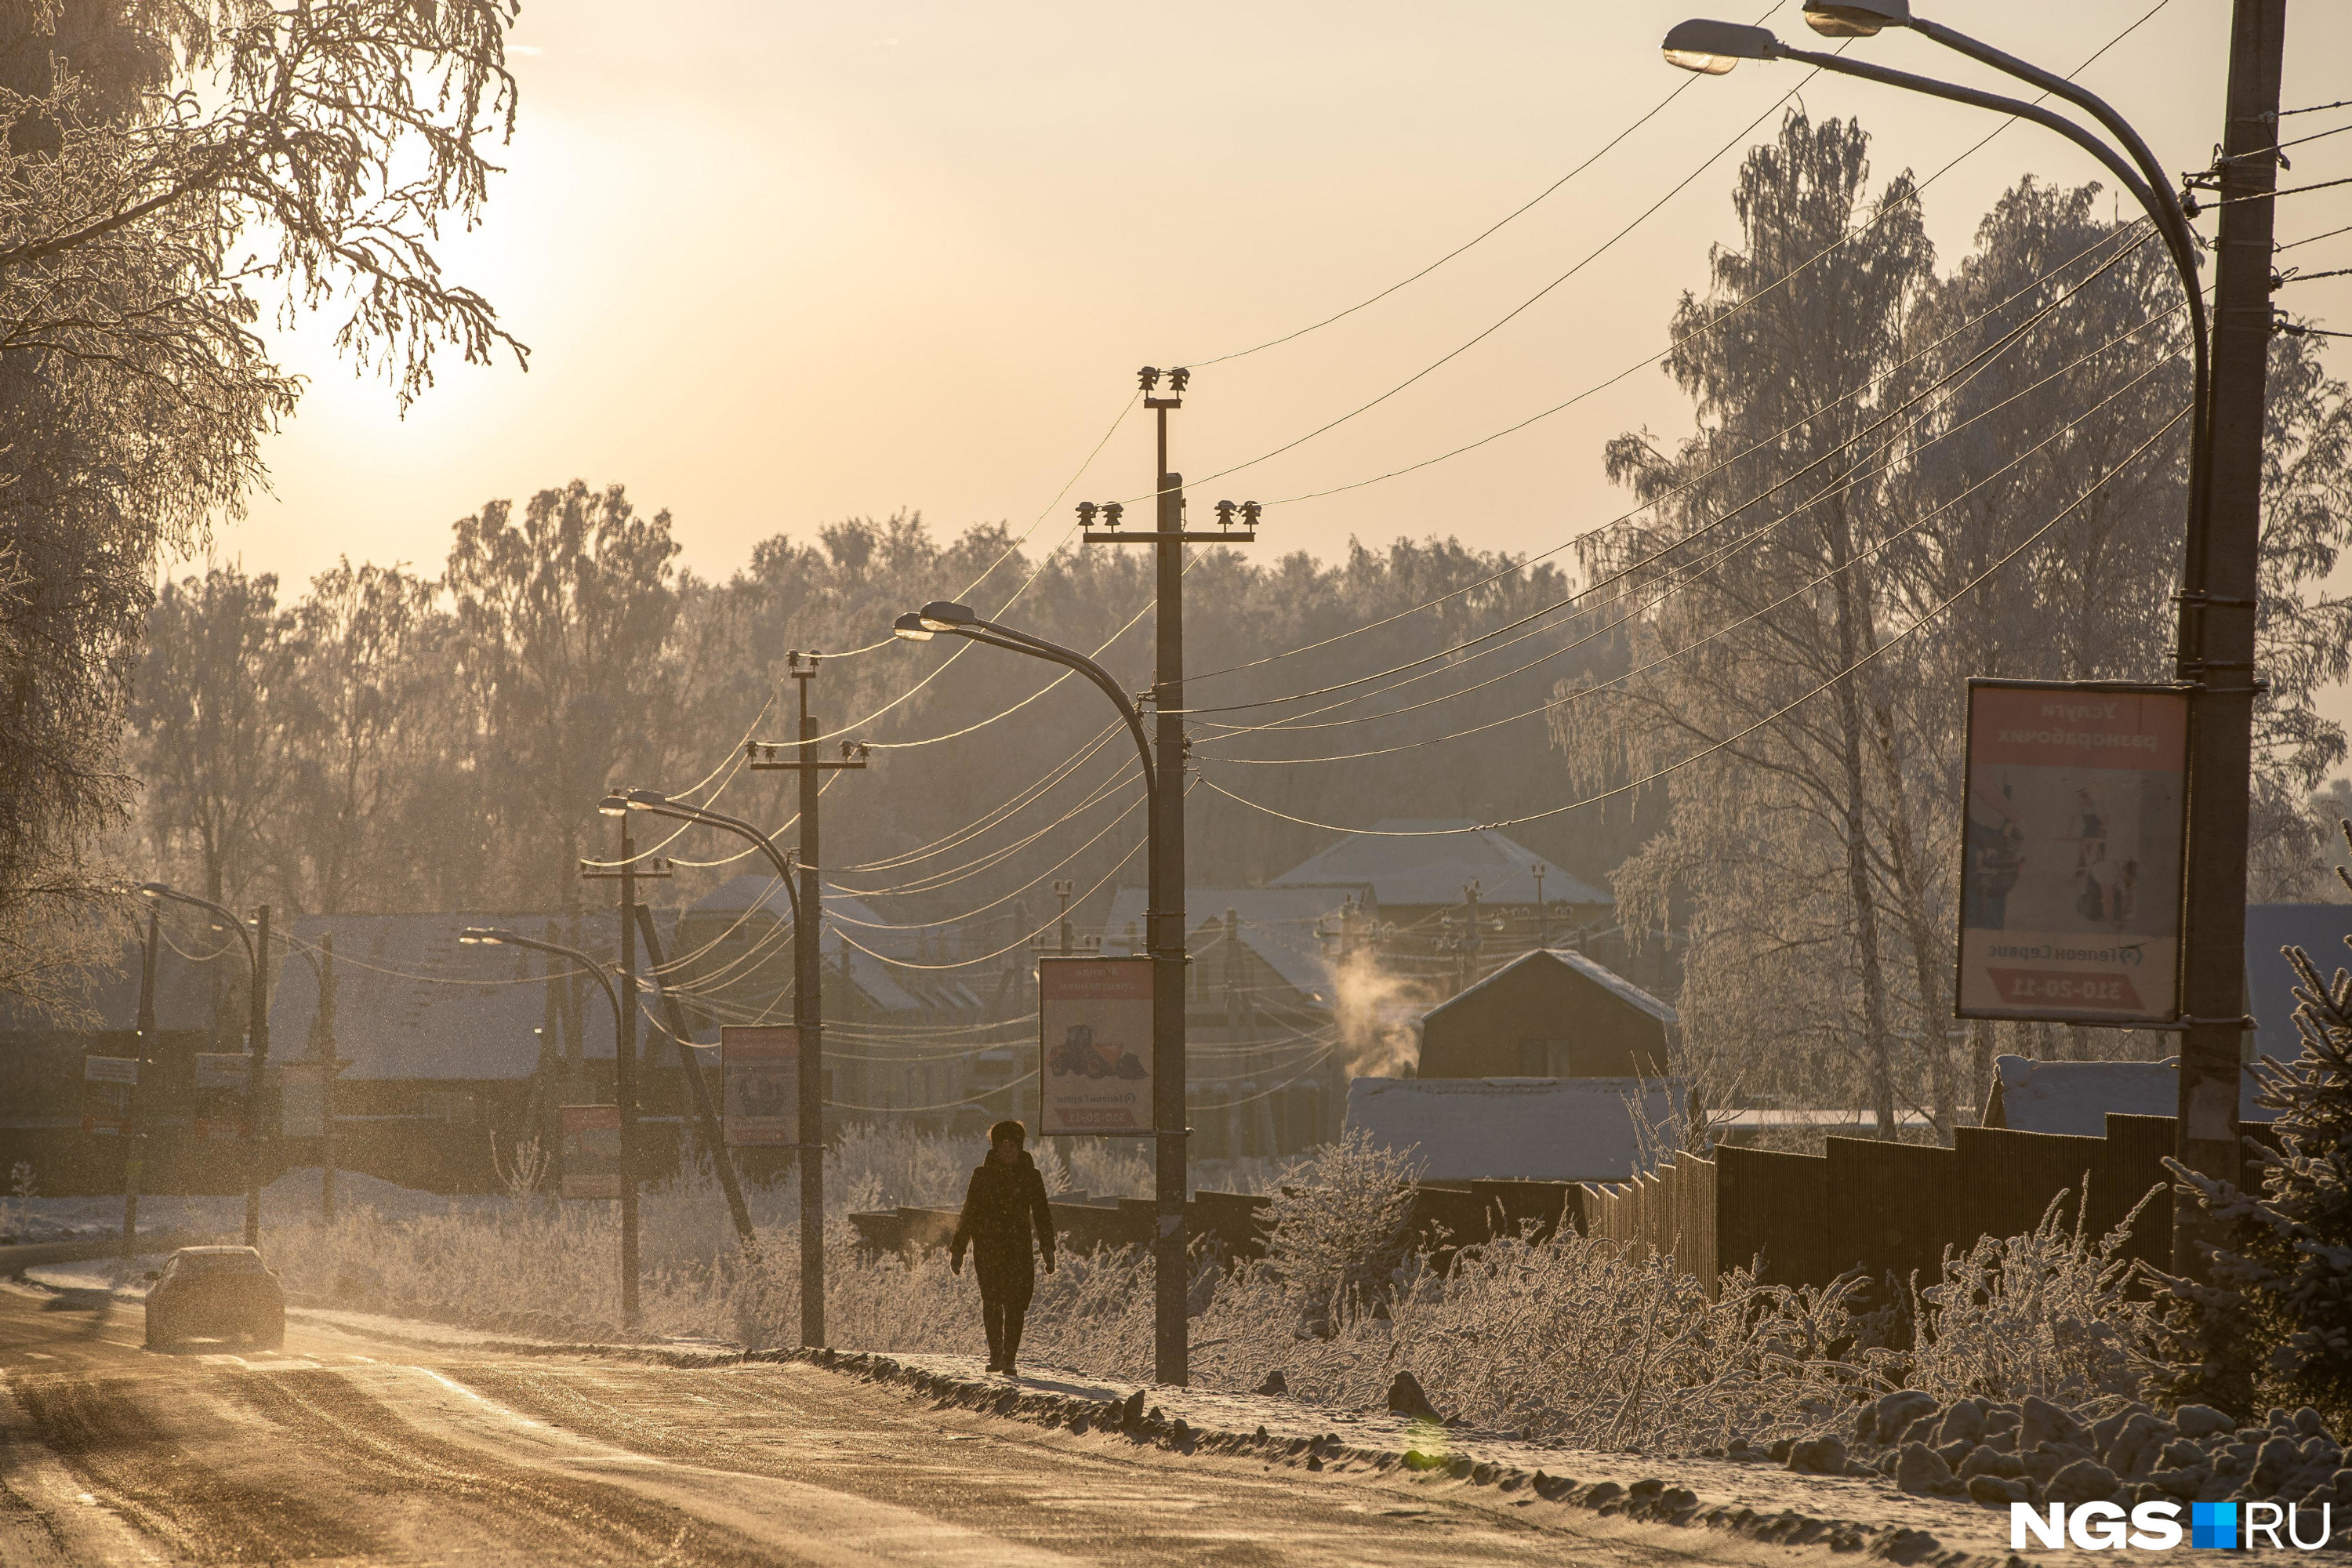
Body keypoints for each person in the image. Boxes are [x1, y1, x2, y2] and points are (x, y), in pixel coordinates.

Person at [949, 1119, 1056, 1375]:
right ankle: (996, 1356)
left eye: (1012, 1144)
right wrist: (958, 1249)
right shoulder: (982, 1176)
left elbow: (1042, 1214)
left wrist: (1048, 1250)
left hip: (1019, 1251)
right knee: (992, 1302)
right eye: (1002, 1144)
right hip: (988, 1250)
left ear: (1020, 1147)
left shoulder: (1031, 1177)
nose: (1007, 1149)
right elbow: (969, 1213)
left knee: (1016, 1304)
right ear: (995, 1148)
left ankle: (1010, 1359)